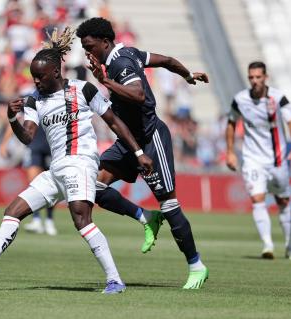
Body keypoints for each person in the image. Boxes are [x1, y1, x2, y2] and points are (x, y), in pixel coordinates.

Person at [0, 27, 153, 294]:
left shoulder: (83, 90)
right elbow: (28, 137)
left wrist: (138, 152)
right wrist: (12, 119)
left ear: (55, 72)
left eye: (39, 77)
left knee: (82, 220)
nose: (35, 82)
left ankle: (114, 280)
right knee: (13, 212)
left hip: (81, 163)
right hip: (56, 169)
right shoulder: (35, 101)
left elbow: (114, 122)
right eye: (33, 77)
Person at [76, 17, 209, 289]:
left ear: (105, 42)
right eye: (83, 47)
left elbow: (138, 95)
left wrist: (106, 83)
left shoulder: (120, 63)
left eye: (89, 46)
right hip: (127, 142)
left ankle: (196, 266)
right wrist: (187, 74)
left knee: (169, 205)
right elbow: (167, 60)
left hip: (150, 139)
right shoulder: (129, 53)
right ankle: (145, 217)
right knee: (93, 187)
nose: (87, 52)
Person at [226, 61, 291, 261]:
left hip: (277, 160)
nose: (255, 81)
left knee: (283, 200)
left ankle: (290, 245)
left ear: (265, 77)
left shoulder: (277, 98)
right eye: (251, 77)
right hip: (252, 159)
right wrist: (230, 152)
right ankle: (267, 245)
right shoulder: (240, 99)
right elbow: (231, 123)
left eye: (258, 77)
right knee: (257, 199)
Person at [0, 124, 58, 235]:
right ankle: (36, 220)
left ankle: (49, 220)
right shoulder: (27, 105)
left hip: (52, 145)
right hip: (33, 145)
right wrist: (4, 143)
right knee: (34, 183)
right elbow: (15, 120)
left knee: (53, 184)